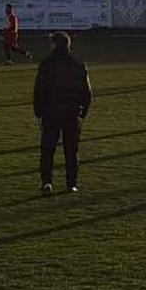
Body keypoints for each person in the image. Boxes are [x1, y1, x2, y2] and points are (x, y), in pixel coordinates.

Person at [34, 32, 92, 195]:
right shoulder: (78, 64)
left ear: (54, 44)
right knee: (71, 150)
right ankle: (71, 183)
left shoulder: (46, 64)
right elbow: (86, 92)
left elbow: (39, 89)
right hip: (72, 112)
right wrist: (83, 112)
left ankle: (47, 182)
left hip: (50, 112)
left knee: (47, 149)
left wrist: (38, 111)